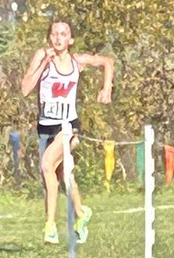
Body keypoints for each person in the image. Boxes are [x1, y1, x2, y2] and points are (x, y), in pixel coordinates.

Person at [21, 19, 114, 244]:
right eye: (54, 34)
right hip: (46, 126)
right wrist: (44, 65)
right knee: (61, 176)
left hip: (69, 126)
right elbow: (25, 89)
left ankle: (50, 226)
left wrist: (106, 88)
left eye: (63, 34)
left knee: (46, 165)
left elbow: (107, 61)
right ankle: (81, 214)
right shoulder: (41, 56)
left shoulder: (76, 61)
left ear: (70, 39)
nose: (58, 38)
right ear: (48, 38)